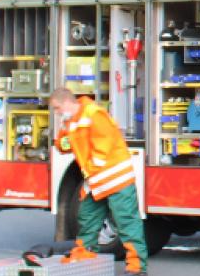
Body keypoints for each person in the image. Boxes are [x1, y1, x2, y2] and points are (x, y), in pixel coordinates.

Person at [50, 87, 147, 275]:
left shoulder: (94, 114)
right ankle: (85, 257)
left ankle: (137, 268)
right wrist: (63, 137)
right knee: (86, 217)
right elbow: (63, 145)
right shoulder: (72, 121)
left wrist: (90, 173)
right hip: (97, 179)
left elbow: (102, 149)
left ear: (67, 102)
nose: (57, 113)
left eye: (57, 108)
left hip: (115, 179)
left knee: (127, 223)